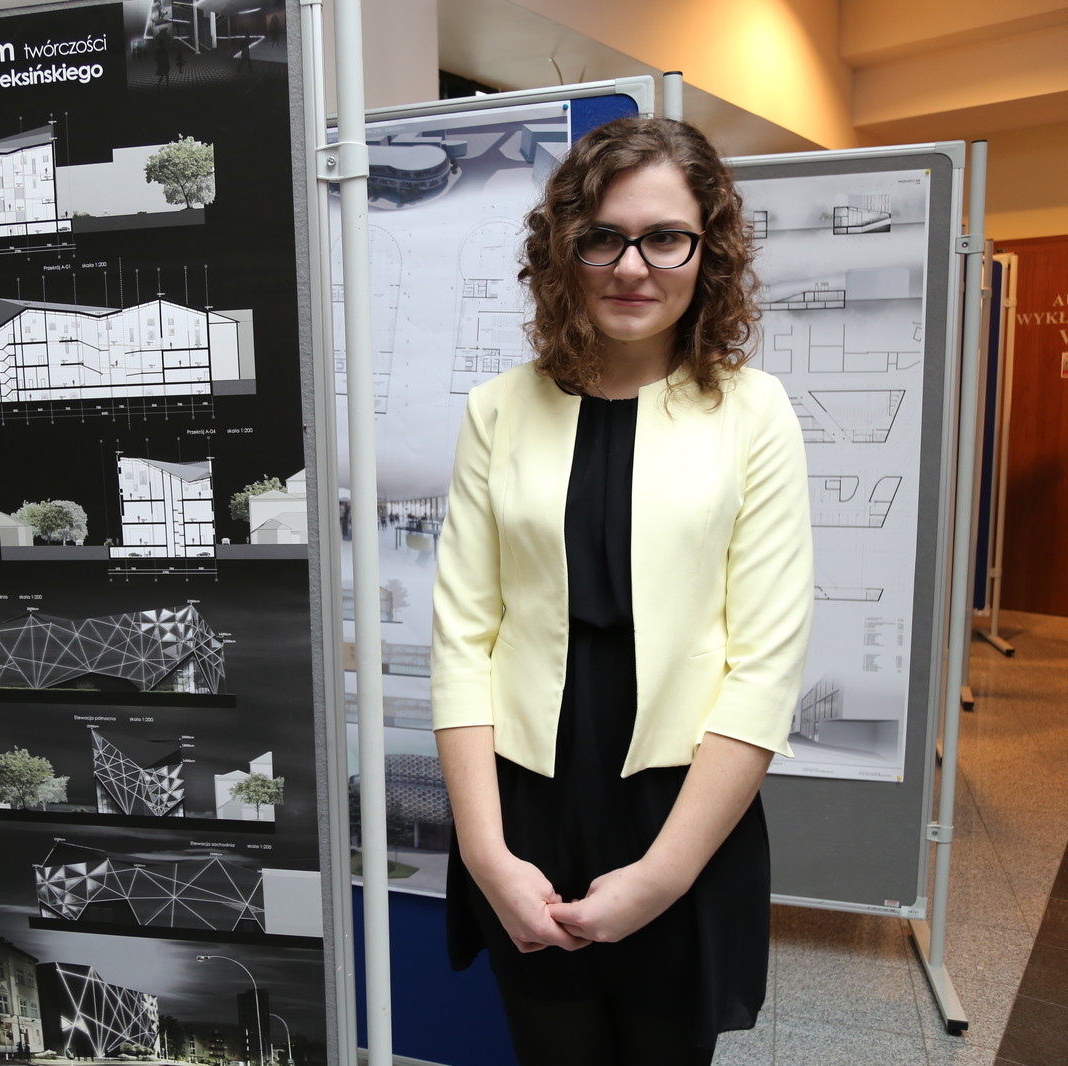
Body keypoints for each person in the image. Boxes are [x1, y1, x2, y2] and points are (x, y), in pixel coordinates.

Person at [431, 116, 813, 1065]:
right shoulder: (497, 410)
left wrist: (662, 877)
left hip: (681, 811)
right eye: (602, 237)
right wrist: (487, 857)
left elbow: (764, 668)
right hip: (524, 808)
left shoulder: (753, 413)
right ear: (563, 250)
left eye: (665, 238)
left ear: (708, 251)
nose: (632, 266)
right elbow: (462, 644)